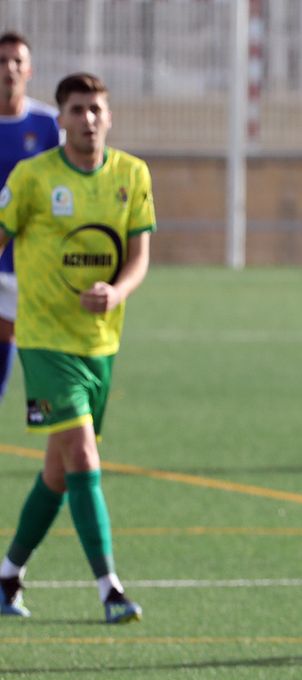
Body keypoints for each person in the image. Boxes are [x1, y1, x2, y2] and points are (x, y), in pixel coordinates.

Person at [0, 72, 154, 624]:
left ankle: (8, 574)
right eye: (77, 110)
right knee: (85, 456)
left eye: (96, 109)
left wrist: (118, 291)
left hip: (100, 344)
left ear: (108, 117)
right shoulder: (33, 178)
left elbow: (138, 255)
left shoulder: (132, 175)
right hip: (42, 341)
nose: (88, 119)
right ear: (59, 119)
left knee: (60, 472)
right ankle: (109, 588)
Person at [0, 32, 59, 405]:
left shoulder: (49, 123)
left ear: (29, 70)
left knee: (41, 348)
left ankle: (56, 432)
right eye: (2, 60)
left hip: (34, 258)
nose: (9, 68)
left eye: (17, 61)